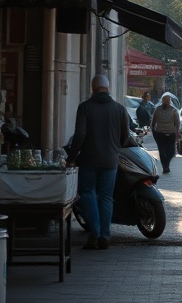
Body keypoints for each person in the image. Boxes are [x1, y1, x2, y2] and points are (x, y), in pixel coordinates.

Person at [67, 75, 131, 250]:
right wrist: (116, 147)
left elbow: (79, 135)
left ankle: (94, 234)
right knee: (106, 196)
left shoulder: (85, 107)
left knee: (87, 193)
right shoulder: (119, 109)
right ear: (108, 88)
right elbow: (125, 134)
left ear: (92, 88)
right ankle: (105, 234)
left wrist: (72, 157)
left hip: (88, 159)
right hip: (110, 160)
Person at [150, 94, 180, 173]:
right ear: (162, 100)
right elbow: (153, 122)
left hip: (171, 133)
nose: (166, 101)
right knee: (162, 150)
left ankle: (167, 163)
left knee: (171, 151)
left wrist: (177, 131)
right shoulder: (158, 109)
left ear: (170, 101)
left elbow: (177, 122)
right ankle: (165, 166)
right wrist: (153, 131)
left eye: (168, 100)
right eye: (165, 99)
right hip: (160, 133)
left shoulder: (173, 110)